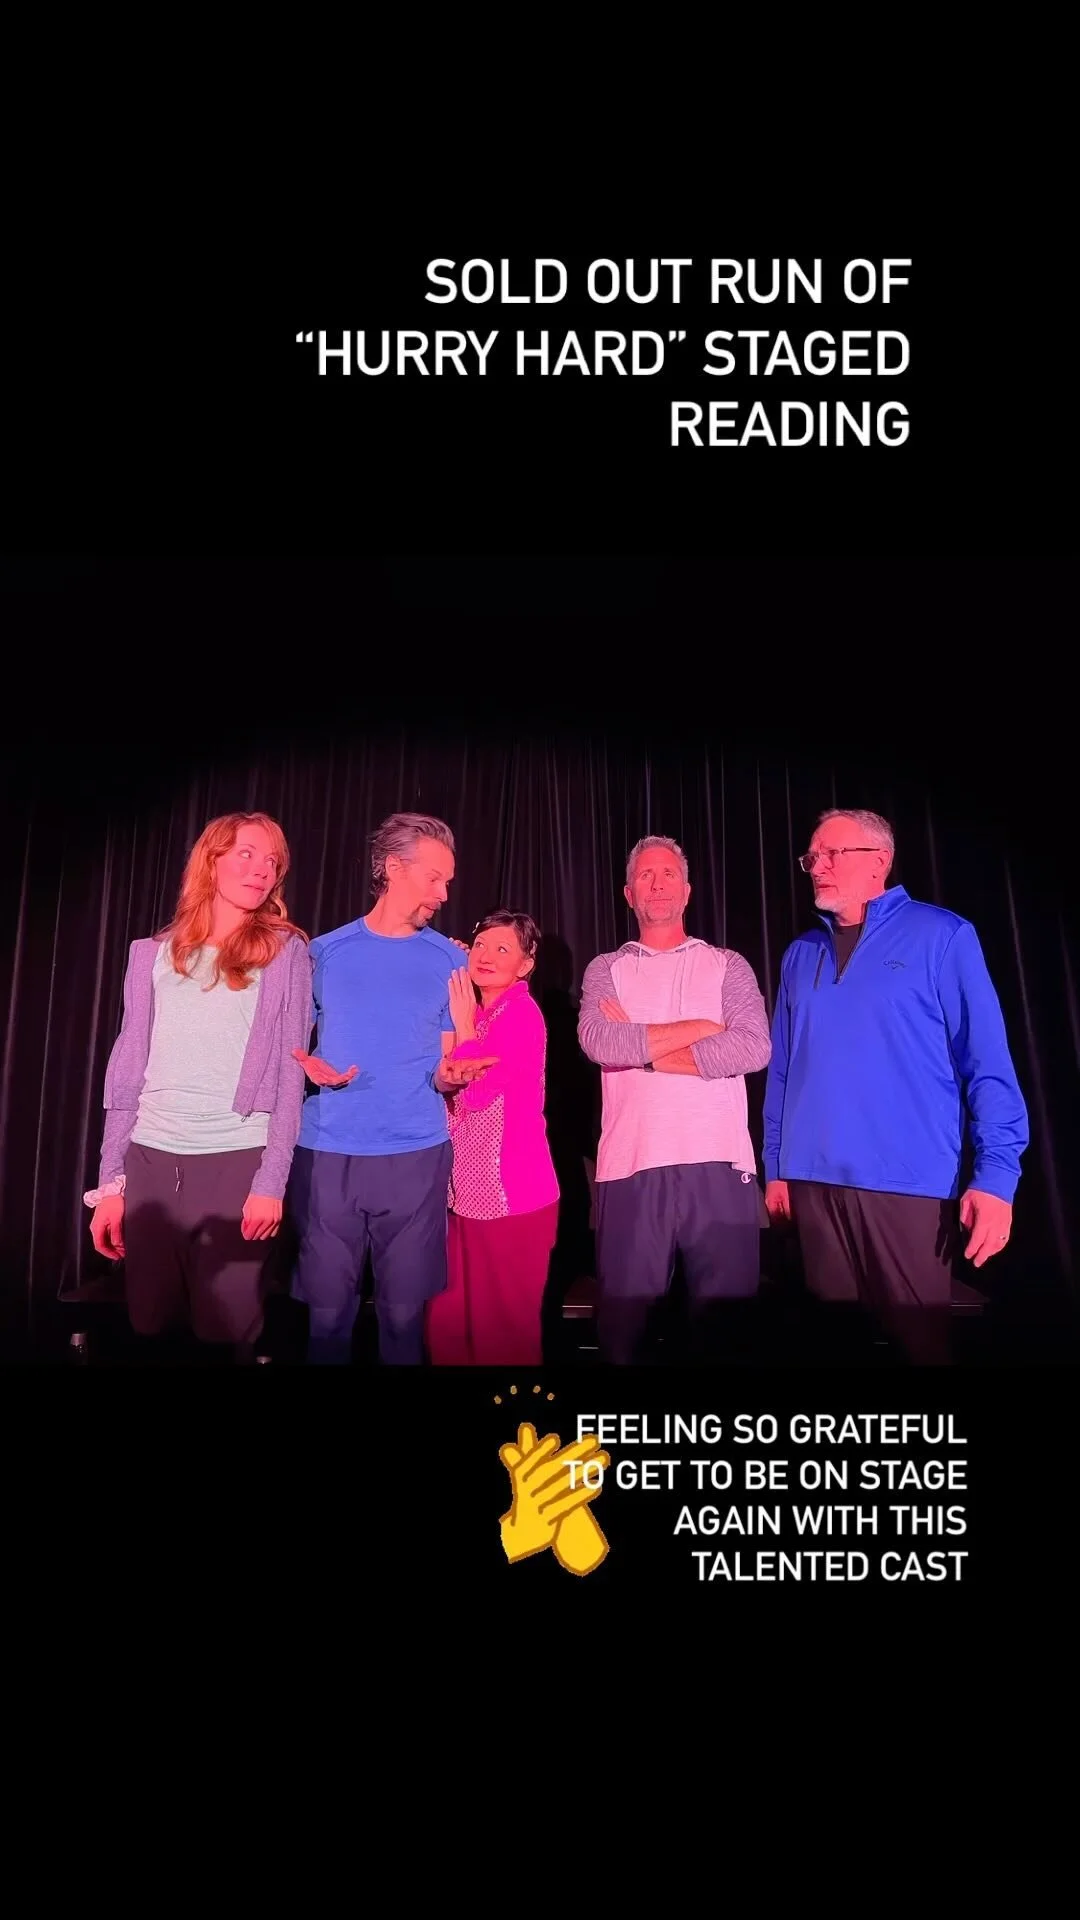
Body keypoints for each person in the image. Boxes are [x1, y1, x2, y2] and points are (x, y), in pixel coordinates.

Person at [762, 808, 1029, 1364]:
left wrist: (997, 1177)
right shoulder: (800, 954)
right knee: (832, 1347)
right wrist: (777, 1165)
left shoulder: (942, 936)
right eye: (812, 857)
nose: (818, 866)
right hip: (813, 1183)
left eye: (833, 853)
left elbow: (986, 1062)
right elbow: (783, 1069)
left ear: (879, 860)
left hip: (906, 1183)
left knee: (920, 1348)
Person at [84, 812, 312, 1361]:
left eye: (272, 861)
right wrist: (111, 1184)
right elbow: (126, 1071)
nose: (261, 870)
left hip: (237, 1157)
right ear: (211, 861)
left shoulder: (284, 952)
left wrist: (270, 1181)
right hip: (150, 1160)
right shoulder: (149, 954)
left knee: (226, 1330)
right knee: (150, 1322)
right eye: (246, 854)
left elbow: (291, 1072)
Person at [289, 813, 495, 1365]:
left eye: (448, 881)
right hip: (328, 1153)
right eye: (434, 878)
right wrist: (307, 1066)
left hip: (415, 1155)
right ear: (393, 868)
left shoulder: (451, 959)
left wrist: (453, 1074)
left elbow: (450, 1061)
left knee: (403, 1322)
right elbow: (288, 1048)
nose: (444, 894)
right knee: (327, 1319)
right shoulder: (323, 953)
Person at [577, 835, 772, 1364]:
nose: (658, 883)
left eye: (668, 874)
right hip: (631, 1165)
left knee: (724, 1334)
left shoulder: (727, 964)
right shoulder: (606, 969)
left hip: (719, 1162)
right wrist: (704, 1028)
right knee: (622, 1335)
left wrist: (641, 1050)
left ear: (686, 892)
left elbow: (752, 1048)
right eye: (645, 875)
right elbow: (600, 1042)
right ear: (628, 893)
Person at [426, 910, 561, 1366]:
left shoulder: (521, 1014)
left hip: (512, 1198)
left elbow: (478, 1093)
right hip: (462, 1196)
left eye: (503, 949)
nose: (486, 956)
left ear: (526, 964)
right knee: (449, 1325)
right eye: (480, 945)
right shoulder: (478, 1009)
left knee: (502, 1334)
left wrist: (465, 1026)